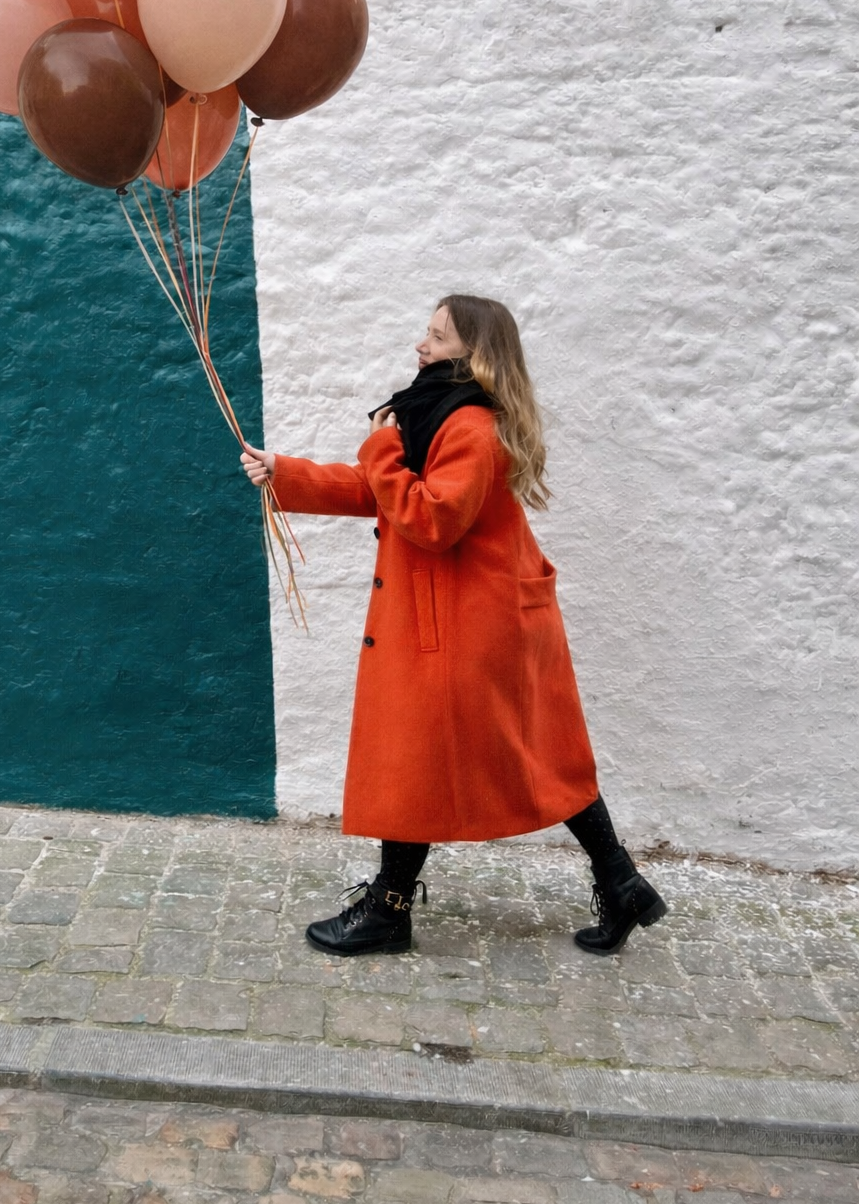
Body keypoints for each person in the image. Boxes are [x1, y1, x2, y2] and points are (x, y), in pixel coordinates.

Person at [240, 294, 666, 958]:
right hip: (466, 615)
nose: (422, 346)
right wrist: (285, 473)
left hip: (471, 624)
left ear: (473, 354)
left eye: (437, 338)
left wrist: (382, 443)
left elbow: (431, 519)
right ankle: (621, 885)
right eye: (428, 333)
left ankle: (389, 911)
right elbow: (388, 491)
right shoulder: (439, 413)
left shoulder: (469, 425)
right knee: (514, 757)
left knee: (447, 757)